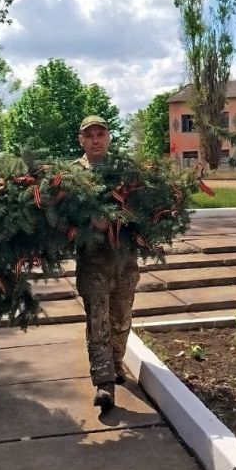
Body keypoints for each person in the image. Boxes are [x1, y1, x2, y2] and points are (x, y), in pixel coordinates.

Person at [73, 115, 141, 412]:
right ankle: (103, 383)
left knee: (122, 318)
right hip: (92, 260)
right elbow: (59, 214)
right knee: (97, 320)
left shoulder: (125, 170)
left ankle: (115, 363)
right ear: (81, 140)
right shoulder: (72, 175)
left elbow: (144, 208)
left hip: (124, 259)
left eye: (100, 134)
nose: (96, 139)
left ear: (109, 137)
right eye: (90, 135)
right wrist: (90, 222)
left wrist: (118, 219)